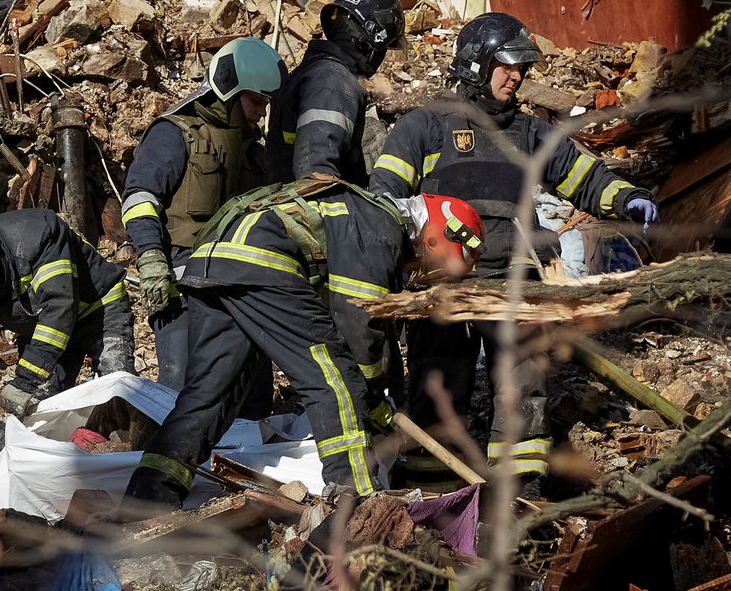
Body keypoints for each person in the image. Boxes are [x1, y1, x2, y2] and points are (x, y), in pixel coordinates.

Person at [369, 12, 660, 492]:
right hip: (444, 287)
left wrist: (625, 196)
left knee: (524, 390)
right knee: (437, 387)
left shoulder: (530, 134)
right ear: (475, 64)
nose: (517, 76)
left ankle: (519, 499)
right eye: (506, 66)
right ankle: (432, 500)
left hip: (516, 285)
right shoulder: (425, 126)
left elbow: (585, 178)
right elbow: (383, 201)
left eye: (522, 68)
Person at [121, 172, 484, 513]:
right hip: (263, 263)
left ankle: (149, 496)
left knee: (209, 395)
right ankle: (358, 501)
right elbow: (358, 325)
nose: (415, 270)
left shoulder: (362, 215)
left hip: (215, 263)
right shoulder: (380, 228)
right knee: (335, 380)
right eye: (431, 263)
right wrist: (372, 395)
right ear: (436, 235)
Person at [120, 37, 286, 418]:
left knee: (251, 399)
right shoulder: (176, 134)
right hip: (181, 292)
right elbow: (140, 195)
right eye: (256, 102)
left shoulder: (252, 152)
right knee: (180, 394)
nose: (261, 113)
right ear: (232, 91)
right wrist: (150, 259)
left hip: (241, 292)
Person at [0, 209, 135, 458]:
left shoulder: (38, 235)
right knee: (39, 409)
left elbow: (59, 307)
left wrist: (25, 381)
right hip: (42, 332)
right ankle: (62, 468)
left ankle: (134, 460)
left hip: (98, 309)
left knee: (118, 388)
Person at [266, 0, 403, 186]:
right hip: (307, 214)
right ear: (371, 41)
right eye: (384, 47)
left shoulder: (316, 70)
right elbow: (316, 179)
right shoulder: (333, 83)